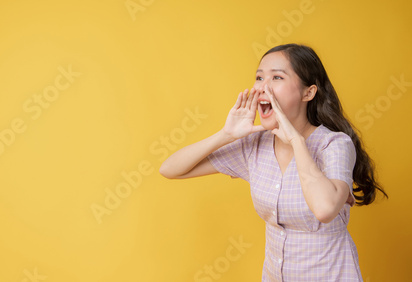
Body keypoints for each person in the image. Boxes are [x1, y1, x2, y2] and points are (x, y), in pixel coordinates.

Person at [159, 43, 388, 281]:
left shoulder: (334, 145)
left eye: (277, 77)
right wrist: (225, 135)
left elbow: (324, 209)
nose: (262, 87)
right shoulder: (255, 145)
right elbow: (170, 169)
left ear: (308, 93)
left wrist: (296, 141)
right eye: (259, 78)